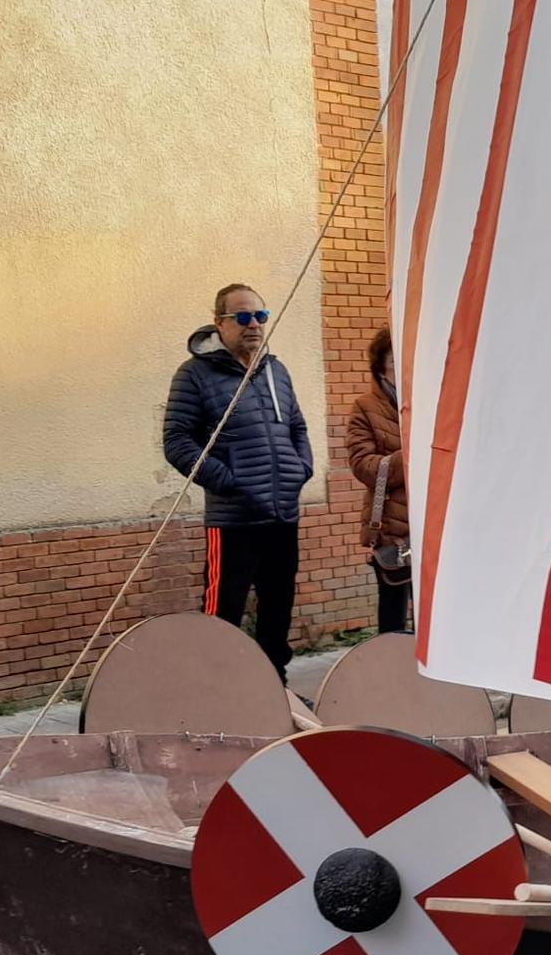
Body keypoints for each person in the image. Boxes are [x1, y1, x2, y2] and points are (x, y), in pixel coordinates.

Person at [162, 284, 315, 680]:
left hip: (282, 516)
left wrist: (302, 469)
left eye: (260, 317)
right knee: (222, 612)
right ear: (220, 323)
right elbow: (178, 441)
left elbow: (297, 426)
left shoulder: (275, 370)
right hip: (233, 520)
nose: (254, 326)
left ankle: (272, 689)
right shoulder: (195, 375)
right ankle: (218, 693)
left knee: (277, 609)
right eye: (243, 317)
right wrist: (229, 482)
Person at [346, 327, 411, 635]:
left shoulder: (427, 401)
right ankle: (391, 678)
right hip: (392, 529)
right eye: (396, 358)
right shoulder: (365, 407)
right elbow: (363, 465)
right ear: (381, 365)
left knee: (435, 621)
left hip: (432, 526)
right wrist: (412, 456)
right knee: (393, 618)